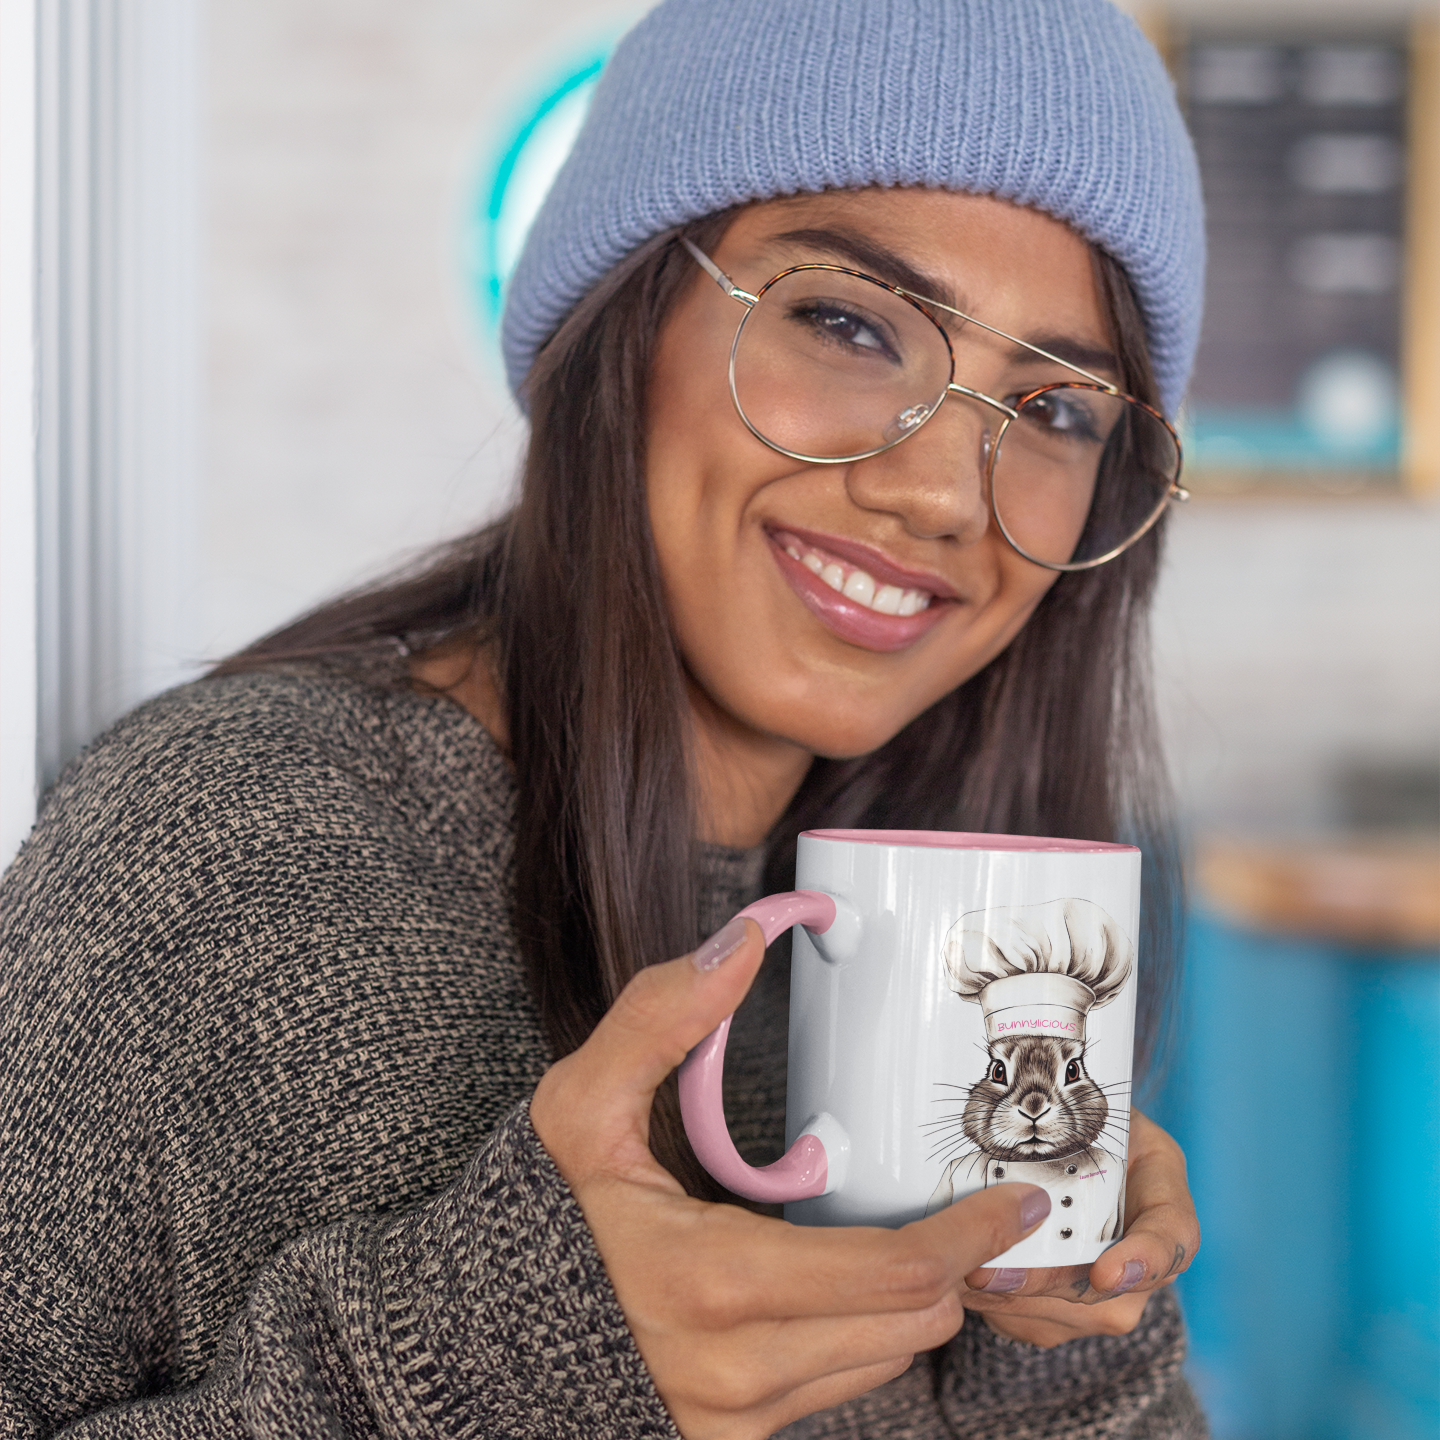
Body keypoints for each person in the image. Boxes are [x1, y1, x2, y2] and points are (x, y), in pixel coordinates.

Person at [0, 0, 1208, 1435]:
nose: (946, 492)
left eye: (1059, 410)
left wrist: (1054, 1327)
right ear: (619, 323)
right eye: (845, 322)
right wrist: (479, 1367)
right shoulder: (228, 849)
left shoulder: (953, 921)